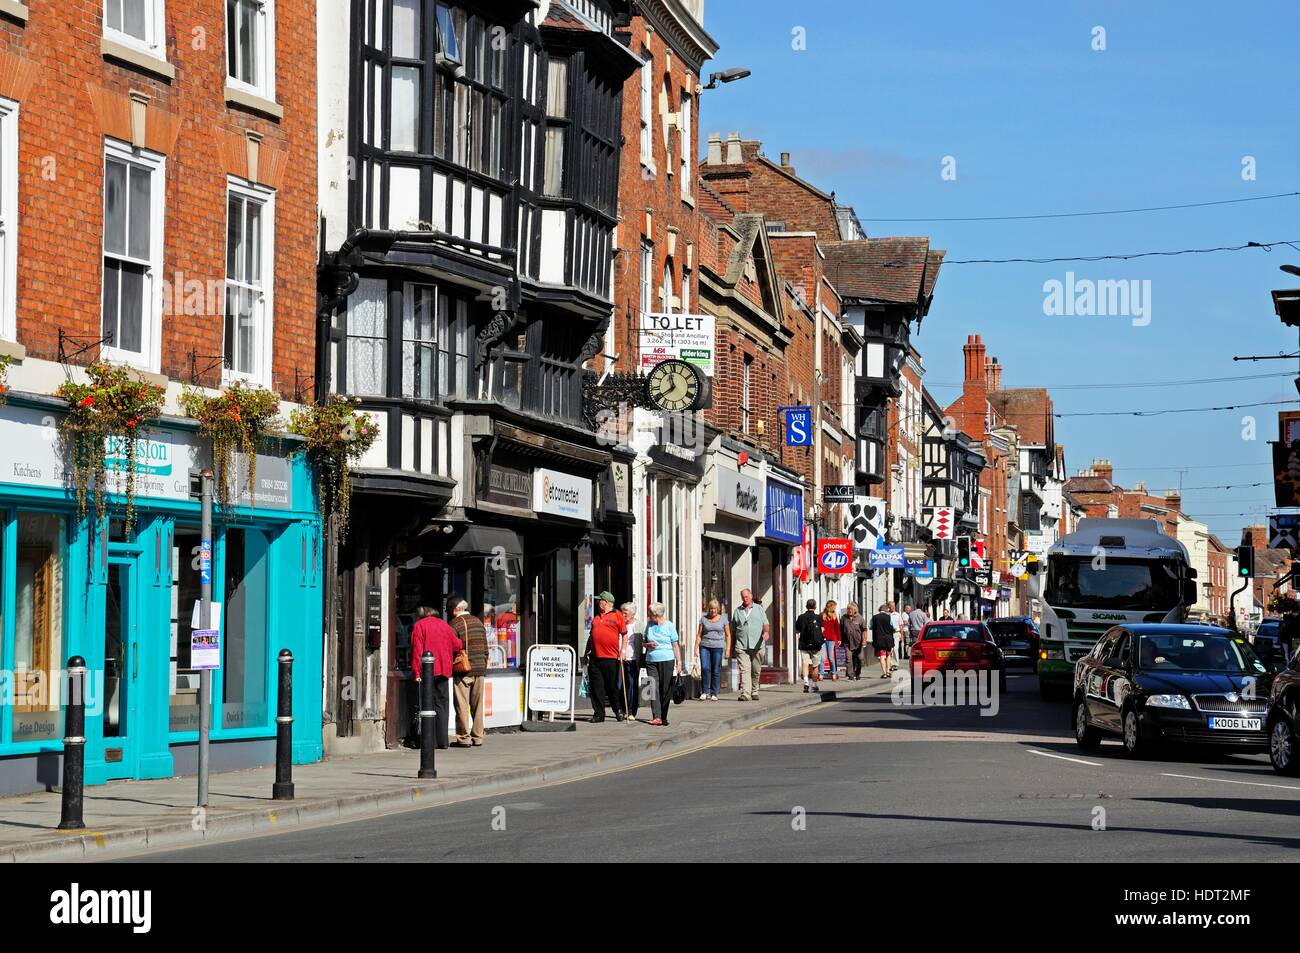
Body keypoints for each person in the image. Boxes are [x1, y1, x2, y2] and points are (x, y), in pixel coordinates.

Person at [410, 606, 462, 749]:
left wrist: (416, 673)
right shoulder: (444, 625)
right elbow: (457, 645)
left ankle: (429, 741)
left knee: (427, 705)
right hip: (444, 670)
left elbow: (417, 651)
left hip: (426, 671)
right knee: (442, 705)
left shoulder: (419, 626)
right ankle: (442, 741)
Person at [449, 596, 488, 747]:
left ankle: (463, 738)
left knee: (462, 705)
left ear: (456, 609)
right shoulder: (478, 622)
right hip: (479, 669)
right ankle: (478, 737)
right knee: (478, 705)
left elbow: (452, 647)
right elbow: (485, 648)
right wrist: (483, 665)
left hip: (463, 669)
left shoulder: (454, 624)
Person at [585, 591, 627, 722]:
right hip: (595, 657)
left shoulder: (617, 615)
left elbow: (624, 634)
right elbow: (592, 636)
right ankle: (598, 714)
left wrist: (623, 650)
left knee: (612, 687)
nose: (598, 603)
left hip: (611, 657)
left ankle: (618, 710)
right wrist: (586, 651)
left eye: (600, 600)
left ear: (607, 603)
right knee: (596, 687)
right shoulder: (596, 617)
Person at [644, 603, 682, 726]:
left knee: (665, 689)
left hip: (667, 659)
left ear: (656, 615)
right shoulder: (649, 625)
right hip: (651, 660)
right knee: (652, 687)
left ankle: (663, 716)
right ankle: (656, 717)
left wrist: (679, 662)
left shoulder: (669, 626)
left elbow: (675, 645)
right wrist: (647, 645)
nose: (648, 615)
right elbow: (644, 642)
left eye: (650, 613)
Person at [730, 588, 770, 701]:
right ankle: (745, 694)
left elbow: (766, 624)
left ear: (751, 596)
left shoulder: (759, 609)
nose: (745, 599)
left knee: (756, 670)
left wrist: (766, 632)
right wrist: (731, 647)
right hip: (741, 646)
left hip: (758, 646)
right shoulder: (737, 611)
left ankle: (754, 690)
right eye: (743, 597)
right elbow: (733, 630)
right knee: (745, 670)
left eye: (747, 596)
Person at [696, 599, 730, 701]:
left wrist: (727, 649)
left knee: (715, 669)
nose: (713, 611)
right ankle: (704, 692)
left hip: (718, 646)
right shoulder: (703, 619)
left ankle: (714, 693)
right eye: (711, 608)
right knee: (705, 668)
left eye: (715, 609)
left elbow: (728, 635)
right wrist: (695, 648)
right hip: (705, 646)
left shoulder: (723, 619)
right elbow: (699, 635)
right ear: (708, 609)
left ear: (718, 609)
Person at [796, 598, 824, 693]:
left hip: (804, 644)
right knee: (815, 666)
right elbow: (822, 630)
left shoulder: (801, 617)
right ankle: (815, 685)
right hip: (816, 645)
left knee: (805, 663)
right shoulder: (819, 617)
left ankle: (806, 682)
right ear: (815, 607)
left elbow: (797, 630)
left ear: (806, 606)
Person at [619, 602, 642, 720]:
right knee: (620, 686)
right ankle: (623, 709)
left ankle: (631, 711)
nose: (622, 615)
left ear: (633, 614)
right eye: (622, 612)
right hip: (618, 659)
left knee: (631, 686)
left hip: (632, 659)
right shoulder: (619, 623)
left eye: (625, 613)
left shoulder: (638, 625)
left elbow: (641, 642)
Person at [871, 603, 896, 678]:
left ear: (880, 610)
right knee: (888, 655)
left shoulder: (874, 617)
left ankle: (884, 673)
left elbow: (870, 626)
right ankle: (888, 671)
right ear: (886, 610)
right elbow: (894, 627)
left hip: (879, 639)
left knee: (882, 656)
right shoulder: (890, 617)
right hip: (888, 639)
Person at [841, 603, 865, 680]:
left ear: (855, 610)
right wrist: (840, 640)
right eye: (848, 609)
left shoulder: (860, 618)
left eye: (851, 609)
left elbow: (864, 630)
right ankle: (851, 675)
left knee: (860, 659)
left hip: (858, 643)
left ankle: (857, 673)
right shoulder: (844, 618)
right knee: (849, 659)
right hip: (847, 642)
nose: (849, 611)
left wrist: (864, 640)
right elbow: (841, 629)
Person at [821, 600, 841, 680]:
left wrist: (839, 639)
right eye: (834, 606)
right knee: (822, 658)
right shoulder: (822, 615)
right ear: (830, 606)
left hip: (831, 639)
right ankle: (821, 674)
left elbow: (837, 629)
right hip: (822, 639)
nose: (835, 608)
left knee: (831, 658)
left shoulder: (834, 616)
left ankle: (833, 673)